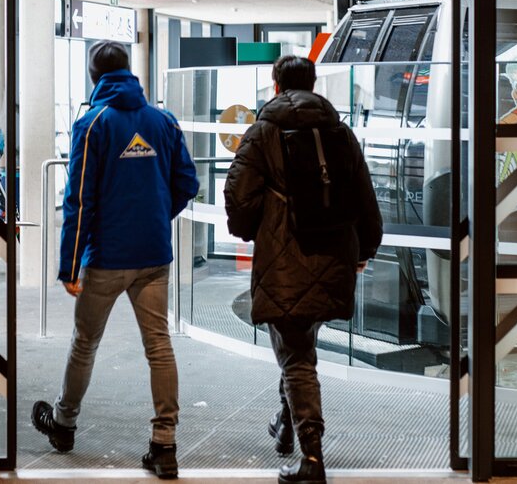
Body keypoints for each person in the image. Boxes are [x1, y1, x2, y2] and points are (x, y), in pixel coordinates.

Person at [31, 41, 198, 480]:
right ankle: (165, 446)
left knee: (85, 343)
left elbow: (78, 202)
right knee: (159, 346)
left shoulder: (92, 124)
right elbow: (187, 181)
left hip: (105, 257)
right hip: (154, 257)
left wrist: (68, 267)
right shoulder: (162, 120)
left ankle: (64, 424)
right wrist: (158, 217)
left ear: (94, 76)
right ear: (129, 70)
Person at [223, 55, 382, 484]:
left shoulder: (261, 133)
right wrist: (364, 248)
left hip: (284, 258)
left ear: (276, 86)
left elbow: (238, 201)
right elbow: (365, 195)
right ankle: (285, 424)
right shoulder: (340, 132)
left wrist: (250, 230)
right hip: (334, 255)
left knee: (295, 355)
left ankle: (312, 457)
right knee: (300, 341)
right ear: (313, 85)